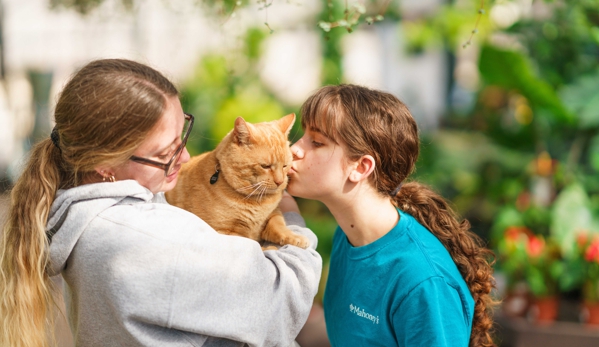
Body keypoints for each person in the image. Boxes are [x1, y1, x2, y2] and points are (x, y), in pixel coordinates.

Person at [0, 59, 322, 347]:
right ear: (105, 164)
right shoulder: (154, 240)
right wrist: (290, 218)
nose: (186, 156)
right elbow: (282, 301)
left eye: (183, 135)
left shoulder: (81, 216)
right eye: (165, 153)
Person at [286, 84, 497, 346]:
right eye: (302, 135)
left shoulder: (423, 282)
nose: (294, 148)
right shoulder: (348, 236)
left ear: (361, 167)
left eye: (316, 142)